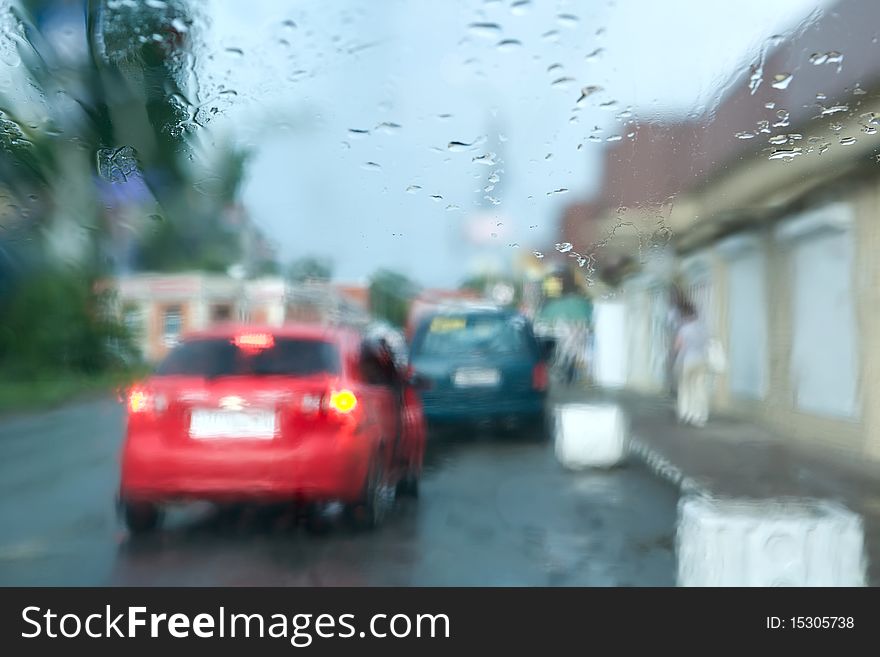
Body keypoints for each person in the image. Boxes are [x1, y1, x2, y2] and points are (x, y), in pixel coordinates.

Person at [673, 303, 710, 427]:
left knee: (686, 388)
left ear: (685, 316)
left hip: (687, 361)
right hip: (702, 361)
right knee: (699, 389)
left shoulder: (684, 329)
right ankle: (700, 416)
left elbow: (678, 346)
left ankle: (686, 414)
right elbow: (707, 345)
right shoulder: (703, 329)